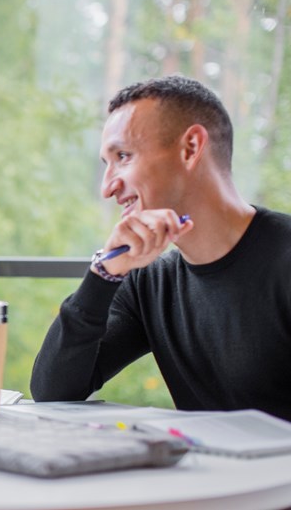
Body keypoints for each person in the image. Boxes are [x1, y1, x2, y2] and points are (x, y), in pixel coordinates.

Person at [31, 75, 291, 422]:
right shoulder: (149, 282)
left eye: (123, 156)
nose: (108, 188)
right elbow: (52, 392)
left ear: (190, 148)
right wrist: (103, 274)